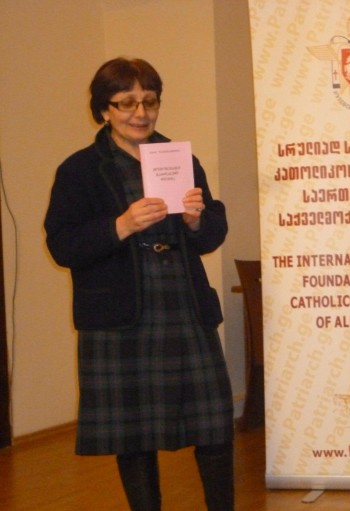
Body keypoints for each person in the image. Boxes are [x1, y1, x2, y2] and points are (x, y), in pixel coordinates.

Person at [44, 57, 234, 511]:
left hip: (184, 307)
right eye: (126, 103)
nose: (141, 113)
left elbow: (212, 234)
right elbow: (62, 245)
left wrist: (197, 221)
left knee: (213, 426)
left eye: (150, 101)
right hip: (120, 317)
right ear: (103, 109)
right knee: (134, 436)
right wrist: (121, 225)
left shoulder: (181, 159)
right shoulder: (80, 170)